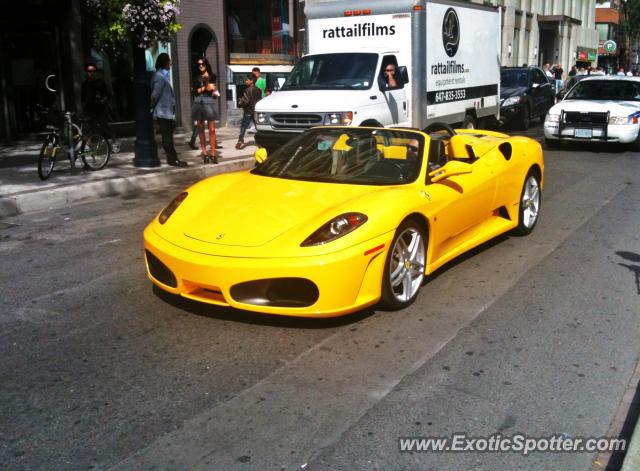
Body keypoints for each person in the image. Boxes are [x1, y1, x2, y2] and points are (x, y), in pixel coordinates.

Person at [150, 53, 186, 167]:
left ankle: (172, 158)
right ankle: (172, 159)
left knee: (168, 136)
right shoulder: (159, 77)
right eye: (169, 62)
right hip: (163, 111)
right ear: (165, 63)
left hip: (166, 111)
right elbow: (155, 95)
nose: (170, 64)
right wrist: (151, 107)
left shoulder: (162, 76)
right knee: (167, 137)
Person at [81, 63, 119, 153]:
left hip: (100, 108)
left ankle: (114, 142)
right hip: (89, 109)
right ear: (86, 72)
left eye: (94, 71)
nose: (92, 73)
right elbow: (82, 98)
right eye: (90, 71)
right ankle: (88, 145)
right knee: (88, 127)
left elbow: (108, 95)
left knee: (105, 126)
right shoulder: (85, 84)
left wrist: (102, 100)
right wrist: (83, 108)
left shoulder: (100, 82)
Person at [192, 57, 220, 164]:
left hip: (209, 102)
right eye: (199, 64)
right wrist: (205, 88)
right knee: (201, 129)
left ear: (206, 64)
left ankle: (213, 154)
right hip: (199, 101)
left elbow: (214, 91)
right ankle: (204, 153)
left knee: (212, 129)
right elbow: (195, 92)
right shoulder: (196, 77)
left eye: (202, 64)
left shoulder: (212, 76)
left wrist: (214, 93)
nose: (200, 66)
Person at [235, 74, 262, 150]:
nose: (245, 81)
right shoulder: (258, 90)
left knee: (243, 126)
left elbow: (246, 101)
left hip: (248, 111)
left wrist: (240, 103)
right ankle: (261, 141)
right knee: (258, 127)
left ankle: (240, 140)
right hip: (256, 111)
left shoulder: (247, 90)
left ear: (251, 81)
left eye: (247, 80)